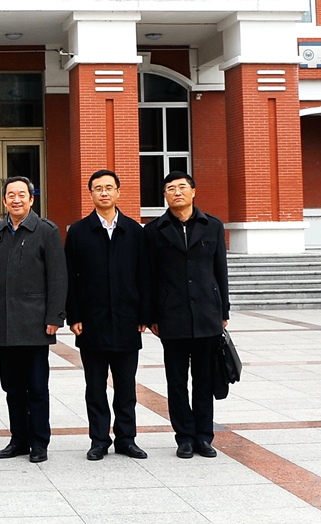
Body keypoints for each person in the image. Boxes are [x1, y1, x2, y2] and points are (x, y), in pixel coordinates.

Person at [0, 176, 66, 464]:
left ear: (31, 199)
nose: (16, 199)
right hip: (4, 321)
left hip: (36, 322)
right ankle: (18, 439)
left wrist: (55, 316)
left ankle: (39, 441)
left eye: (21, 194)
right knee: (12, 388)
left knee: (37, 387)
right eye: (11, 195)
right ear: (4, 200)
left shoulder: (46, 231)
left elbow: (58, 277)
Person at [65, 170, 151, 462]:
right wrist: (74, 315)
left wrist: (144, 314)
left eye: (109, 188)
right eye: (98, 188)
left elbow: (144, 275)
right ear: (90, 194)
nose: (104, 192)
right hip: (92, 322)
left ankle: (127, 439)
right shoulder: (78, 232)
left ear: (118, 192)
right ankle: (99, 440)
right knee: (95, 387)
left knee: (126, 387)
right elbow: (70, 278)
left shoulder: (135, 231)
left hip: (127, 320)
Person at [146, 170, 230, 460]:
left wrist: (224, 309)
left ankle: (204, 437)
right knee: (177, 382)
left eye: (182, 187)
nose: (177, 192)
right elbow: (149, 277)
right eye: (170, 188)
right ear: (165, 196)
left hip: (207, 314)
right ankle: (183, 437)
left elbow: (220, 271)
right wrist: (152, 314)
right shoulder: (153, 230)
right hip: (172, 317)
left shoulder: (212, 226)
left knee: (204, 381)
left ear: (193, 191)